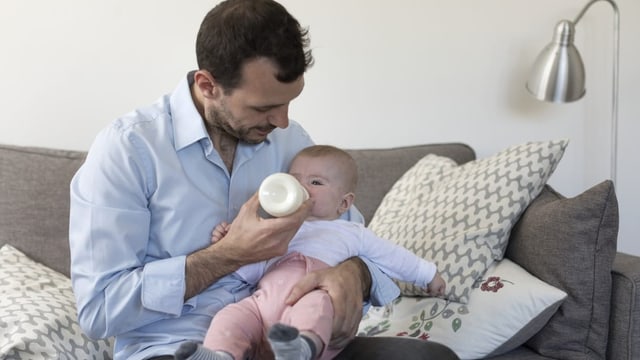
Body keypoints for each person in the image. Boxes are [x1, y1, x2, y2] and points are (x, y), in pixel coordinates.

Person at [69, 0, 459, 359]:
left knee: (432, 357)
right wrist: (229, 254)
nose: (283, 121)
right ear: (208, 86)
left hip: (291, 336)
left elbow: (349, 235)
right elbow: (100, 310)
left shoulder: (290, 142)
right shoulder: (128, 151)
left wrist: (353, 273)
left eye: (289, 102)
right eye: (265, 107)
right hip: (178, 346)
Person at [174, 145, 446, 360]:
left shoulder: (351, 233)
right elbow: (249, 268)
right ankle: (221, 354)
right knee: (231, 315)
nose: (302, 188)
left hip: (310, 297)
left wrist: (428, 274)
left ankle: (302, 346)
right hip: (262, 302)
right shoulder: (277, 227)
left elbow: (393, 257)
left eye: (316, 182)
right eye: (295, 180)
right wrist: (228, 243)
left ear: (344, 203)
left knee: (317, 305)